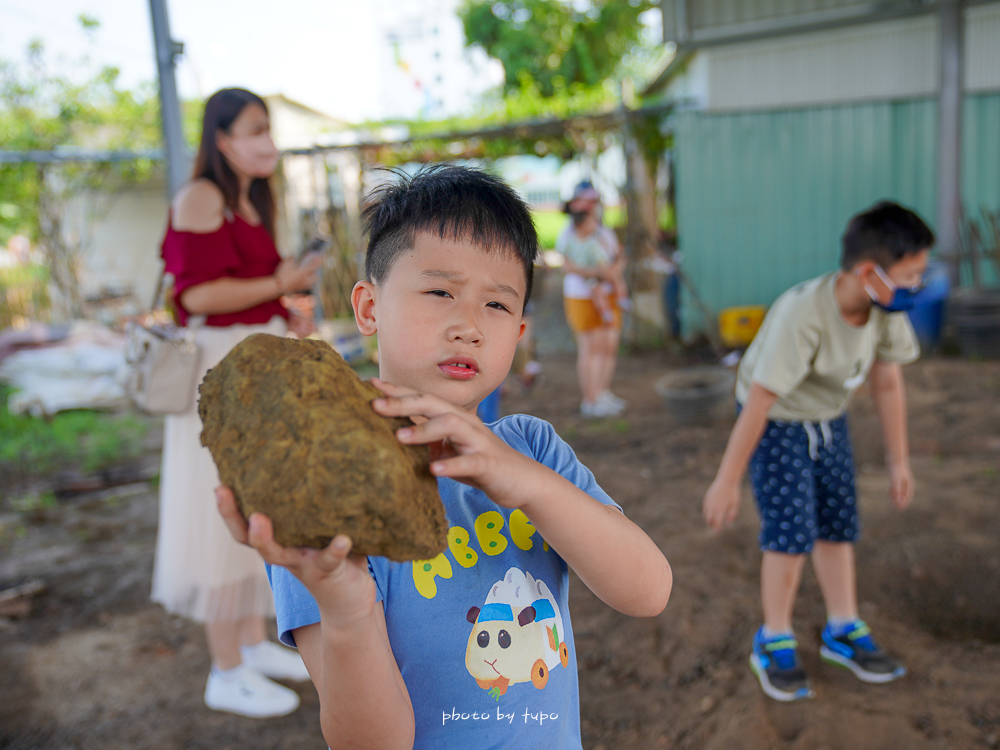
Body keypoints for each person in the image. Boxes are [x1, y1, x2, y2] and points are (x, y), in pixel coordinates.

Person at [215, 165, 673, 749]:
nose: (469, 326)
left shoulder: (532, 447)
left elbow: (648, 591)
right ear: (369, 307)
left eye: (498, 306)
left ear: (521, 331)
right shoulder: (321, 494)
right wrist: (348, 609)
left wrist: (527, 484)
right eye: (440, 292)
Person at [702, 201, 933, 702]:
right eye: (911, 275)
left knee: (837, 522)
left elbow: (888, 382)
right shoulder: (801, 315)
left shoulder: (883, 308)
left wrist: (899, 459)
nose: (918, 285)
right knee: (790, 532)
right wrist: (727, 480)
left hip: (828, 417)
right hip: (779, 420)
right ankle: (775, 638)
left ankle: (843, 628)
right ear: (869, 272)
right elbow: (760, 402)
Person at [151, 88, 322, 718]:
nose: (266, 141)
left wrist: (287, 311)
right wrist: (281, 284)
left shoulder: (252, 198)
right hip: (218, 372)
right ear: (221, 138)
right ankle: (225, 668)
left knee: (258, 500)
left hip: (257, 363)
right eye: (254, 130)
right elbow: (197, 297)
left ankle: (251, 644)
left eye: (268, 129)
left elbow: (254, 290)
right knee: (218, 503)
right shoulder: (202, 197)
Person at [557, 183, 627, 418]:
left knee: (609, 345)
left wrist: (613, 274)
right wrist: (600, 273)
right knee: (591, 348)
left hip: (608, 295)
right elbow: (567, 267)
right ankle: (590, 398)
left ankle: (603, 393)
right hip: (582, 297)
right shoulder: (568, 233)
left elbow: (618, 257)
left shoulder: (604, 231)